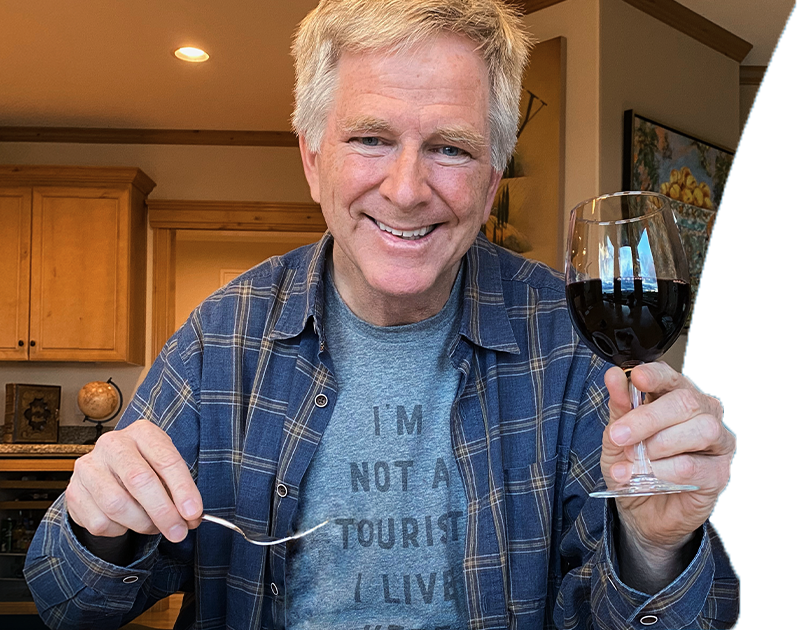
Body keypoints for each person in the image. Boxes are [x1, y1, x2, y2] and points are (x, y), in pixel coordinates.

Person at [25, 1, 739, 628]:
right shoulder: (223, 333)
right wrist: (99, 527)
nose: (405, 190)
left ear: (491, 184)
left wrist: (652, 549)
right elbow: (67, 603)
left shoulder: (570, 340)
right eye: (370, 138)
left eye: (450, 149)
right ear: (311, 159)